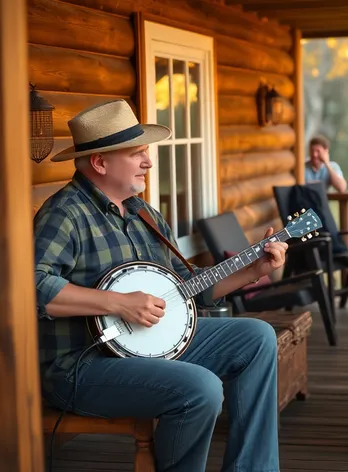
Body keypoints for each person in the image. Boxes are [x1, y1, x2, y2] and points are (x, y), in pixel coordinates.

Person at [35, 99, 287, 472]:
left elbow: (186, 288)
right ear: (100, 163)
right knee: (200, 387)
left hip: (147, 346)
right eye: (137, 154)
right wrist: (117, 303)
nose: (149, 162)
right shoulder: (65, 214)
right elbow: (33, 286)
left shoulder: (145, 215)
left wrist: (253, 270)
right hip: (82, 366)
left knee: (256, 337)